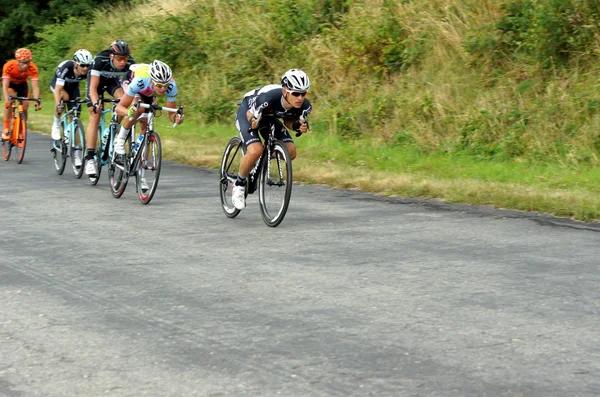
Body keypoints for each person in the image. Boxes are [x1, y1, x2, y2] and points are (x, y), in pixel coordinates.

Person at [231, 68, 312, 210]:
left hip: (269, 118)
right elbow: (251, 115)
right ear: (285, 91)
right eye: (296, 94)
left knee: (290, 152)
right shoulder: (267, 98)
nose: (300, 98)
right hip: (249, 113)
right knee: (256, 150)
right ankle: (239, 184)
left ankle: (262, 160)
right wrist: (253, 123)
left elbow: (288, 121)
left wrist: (298, 127)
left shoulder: (304, 106)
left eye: (303, 93)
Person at [114, 60, 183, 190]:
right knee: (138, 109)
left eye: (165, 85)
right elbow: (120, 107)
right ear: (152, 81)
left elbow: (171, 114)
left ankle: (141, 175)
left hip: (147, 92)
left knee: (146, 123)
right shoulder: (140, 81)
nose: (163, 89)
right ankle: (120, 139)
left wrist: (177, 118)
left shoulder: (171, 85)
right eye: (159, 86)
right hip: (132, 81)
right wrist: (129, 111)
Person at [84, 40, 135, 176]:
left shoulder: (131, 64)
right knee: (95, 114)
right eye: (119, 59)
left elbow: (133, 88)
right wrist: (95, 104)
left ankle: (113, 127)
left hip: (113, 82)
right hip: (97, 83)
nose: (122, 62)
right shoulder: (100, 60)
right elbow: (93, 88)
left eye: (125, 59)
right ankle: (89, 158)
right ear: (112, 56)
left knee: (124, 102)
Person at [50, 49, 94, 166]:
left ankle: (76, 155)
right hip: (59, 85)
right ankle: (56, 124)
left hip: (73, 87)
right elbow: (58, 90)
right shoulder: (66, 67)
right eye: (83, 65)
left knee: (76, 116)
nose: (85, 68)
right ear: (75, 63)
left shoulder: (89, 70)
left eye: (88, 65)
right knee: (63, 97)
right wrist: (59, 104)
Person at [2, 48, 42, 140]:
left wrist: (37, 100)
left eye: (28, 62)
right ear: (17, 61)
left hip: (22, 85)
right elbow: (4, 85)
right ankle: (6, 128)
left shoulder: (32, 68)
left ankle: (21, 130)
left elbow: (35, 86)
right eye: (23, 63)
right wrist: (6, 99)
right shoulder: (9, 66)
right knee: (11, 100)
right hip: (10, 85)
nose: (26, 65)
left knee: (25, 106)